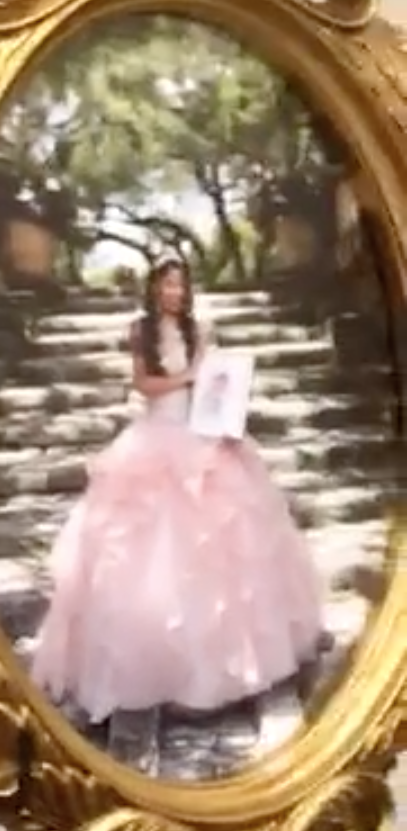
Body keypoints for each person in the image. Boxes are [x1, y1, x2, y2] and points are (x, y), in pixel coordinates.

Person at [32, 254, 328, 726]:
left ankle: (229, 669)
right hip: (157, 434)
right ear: (154, 288)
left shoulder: (199, 330)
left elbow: (217, 385)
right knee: (147, 549)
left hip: (201, 432)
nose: (174, 292)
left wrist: (224, 413)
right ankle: (154, 671)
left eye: (181, 285)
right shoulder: (141, 331)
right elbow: (144, 384)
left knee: (229, 546)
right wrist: (187, 377)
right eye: (167, 284)